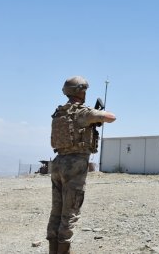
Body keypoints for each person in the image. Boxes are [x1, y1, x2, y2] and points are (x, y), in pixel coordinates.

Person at [47, 76, 116, 254]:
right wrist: (95, 115)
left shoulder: (60, 112)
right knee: (69, 214)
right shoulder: (82, 112)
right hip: (75, 164)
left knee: (56, 211)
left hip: (57, 163)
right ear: (80, 91)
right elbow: (111, 117)